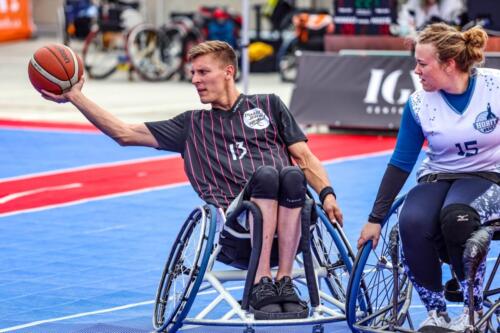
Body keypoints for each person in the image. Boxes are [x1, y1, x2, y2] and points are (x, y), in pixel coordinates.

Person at [41, 40, 343, 320]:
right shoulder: (191, 125)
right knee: (265, 175)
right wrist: (75, 96)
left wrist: (327, 194)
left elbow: (305, 158)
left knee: (290, 175)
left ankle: (285, 280)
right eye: (192, 73)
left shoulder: (269, 104)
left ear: (228, 72)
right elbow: (124, 133)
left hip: (294, 225)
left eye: (203, 72)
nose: (195, 80)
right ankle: (262, 281)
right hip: (238, 232)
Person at [357, 23, 499, 331]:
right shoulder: (419, 103)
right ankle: (437, 313)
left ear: (449, 64)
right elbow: (401, 162)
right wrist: (375, 219)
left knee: (457, 217)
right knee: (412, 221)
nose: (416, 71)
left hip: (490, 176)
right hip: (439, 176)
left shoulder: (496, 88)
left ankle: (473, 311)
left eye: (422, 64)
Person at [396, 0, 464, 36]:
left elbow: (457, 25)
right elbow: (405, 25)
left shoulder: (452, 4)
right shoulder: (414, 4)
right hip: (419, 39)